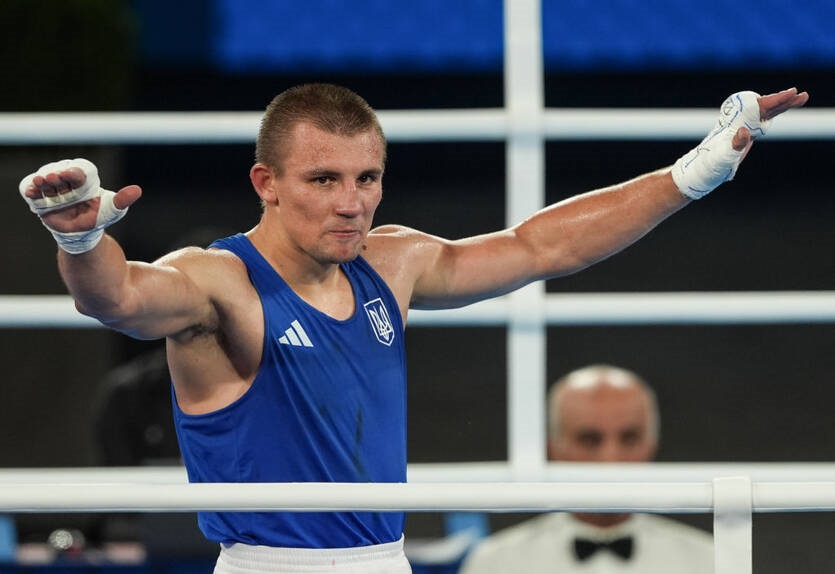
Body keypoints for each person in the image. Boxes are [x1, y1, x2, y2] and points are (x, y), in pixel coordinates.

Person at [18, 84, 807, 573]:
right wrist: (80, 241)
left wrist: (694, 171)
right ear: (267, 183)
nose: (351, 203)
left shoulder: (390, 264)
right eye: (323, 179)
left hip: (384, 560)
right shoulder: (218, 280)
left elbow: (542, 246)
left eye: (366, 178)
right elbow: (118, 298)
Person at [459, 365, 713, 573]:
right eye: (590, 439)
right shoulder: (496, 563)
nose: (611, 459)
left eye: (629, 438)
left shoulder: (708, 561)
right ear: (553, 448)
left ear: (652, 444)